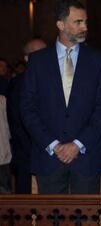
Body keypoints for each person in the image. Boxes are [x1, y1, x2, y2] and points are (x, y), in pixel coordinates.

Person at [20, 0, 101, 194]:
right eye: (78, 22)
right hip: (49, 159)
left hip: (86, 159)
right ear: (60, 25)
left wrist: (78, 144)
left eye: (85, 22)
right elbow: (28, 108)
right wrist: (53, 145)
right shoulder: (38, 61)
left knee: (87, 220)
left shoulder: (98, 60)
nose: (84, 27)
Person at [7, 38, 46, 194]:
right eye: (38, 54)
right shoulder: (19, 84)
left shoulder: (55, 80)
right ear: (26, 58)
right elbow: (17, 124)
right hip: (28, 156)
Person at [0, 95, 12, 193]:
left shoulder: (2, 100)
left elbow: (9, 127)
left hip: (3, 157)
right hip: (3, 155)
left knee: (5, 194)